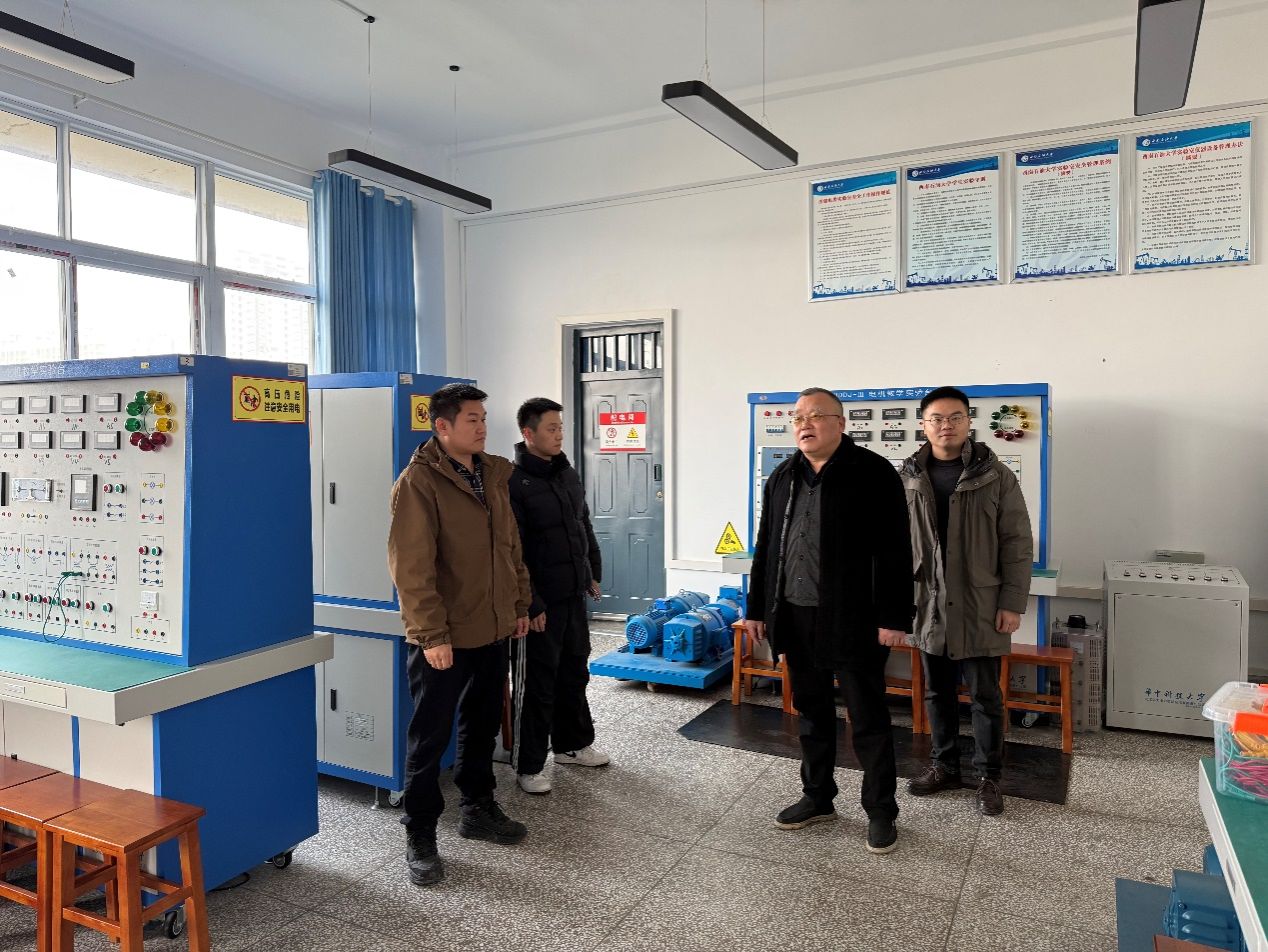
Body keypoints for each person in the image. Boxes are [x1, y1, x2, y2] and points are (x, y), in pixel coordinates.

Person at [744, 387, 914, 854]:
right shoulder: (783, 476)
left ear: (840, 423)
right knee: (812, 712)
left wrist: (894, 617)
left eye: (816, 415)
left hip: (855, 618)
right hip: (795, 614)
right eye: (798, 417)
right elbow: (767, 547)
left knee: (868, 717)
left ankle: (880, 810)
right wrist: (757, 607)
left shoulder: (873, 472)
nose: (805, 424)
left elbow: (896, 550)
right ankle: (818, 797)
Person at [387, 382, 533, 887]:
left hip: (491, 626)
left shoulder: (492, 474)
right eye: (472, 419)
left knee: (482, 722)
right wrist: (431, 636)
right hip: (443, 636)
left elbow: (510, 547)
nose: (482, 427)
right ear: (442, 426)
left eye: (483, 418)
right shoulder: (419, 482)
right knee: (430, 737)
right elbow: (412, 567)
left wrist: (518, 605)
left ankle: (477, 808)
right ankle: (420, 833)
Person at [901, 386, 1033, 816]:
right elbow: (895, 546)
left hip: (981, 605)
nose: (946, 425)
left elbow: (1016, 542)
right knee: (936, 693)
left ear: (968, 422)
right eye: (937, 418)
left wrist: (1012, 602)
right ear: (923, 425)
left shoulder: (996, 475)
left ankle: (988, 777)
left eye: (955, 417)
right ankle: (944, 767)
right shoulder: (907, 478)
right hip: (929, 604)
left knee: (985, 697)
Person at [507, 397, 607, 795]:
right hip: (540, 605)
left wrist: (591, 572)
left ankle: (571, 745)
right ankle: (528, 765)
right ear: (528, 433)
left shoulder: (566, 474)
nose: (559, 435)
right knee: (537, 684)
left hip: (572, 594)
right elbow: (514, 551)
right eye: (551, 428)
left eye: (560, 427)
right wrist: (531, 603)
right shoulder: (514, 483)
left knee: (574, 671)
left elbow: (583, 525)